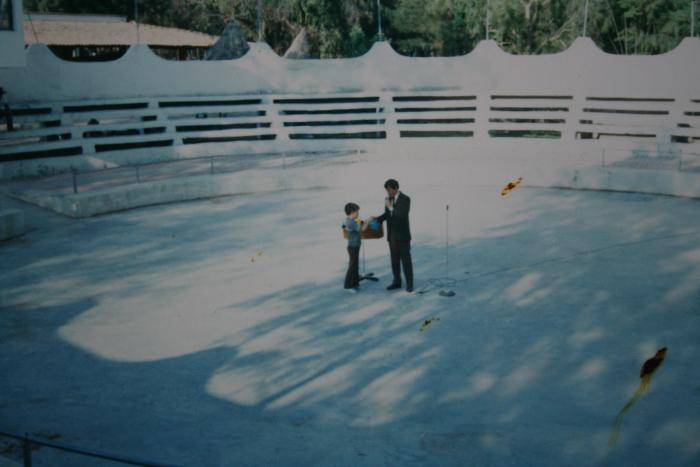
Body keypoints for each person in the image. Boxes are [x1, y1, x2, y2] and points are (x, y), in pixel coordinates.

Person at [372, 179, 414, 292]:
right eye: (386, 190)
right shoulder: (388, 199)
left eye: (389, 190)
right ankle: (397, 282)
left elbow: (401, 214)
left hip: (403, 236)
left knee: (406, 261)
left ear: (396, 188)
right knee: (394, 261)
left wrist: (390, 208)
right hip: (392, 236)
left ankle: (409, 284)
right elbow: (387, 214)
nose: (388, 193)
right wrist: (378, 219)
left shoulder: (406, 199)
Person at [342, 202, 368, 292]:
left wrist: (363, 222)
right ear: (352, 212)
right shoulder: (350, 222)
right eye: (357, 212)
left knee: (356, 265)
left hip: (356, 245)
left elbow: (361, 222)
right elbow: (362, 228)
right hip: (352, 246)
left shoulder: (353, 219)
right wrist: (367, 222)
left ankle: (356, 283)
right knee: (352, 266)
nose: (358, 214)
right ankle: (348, 286)